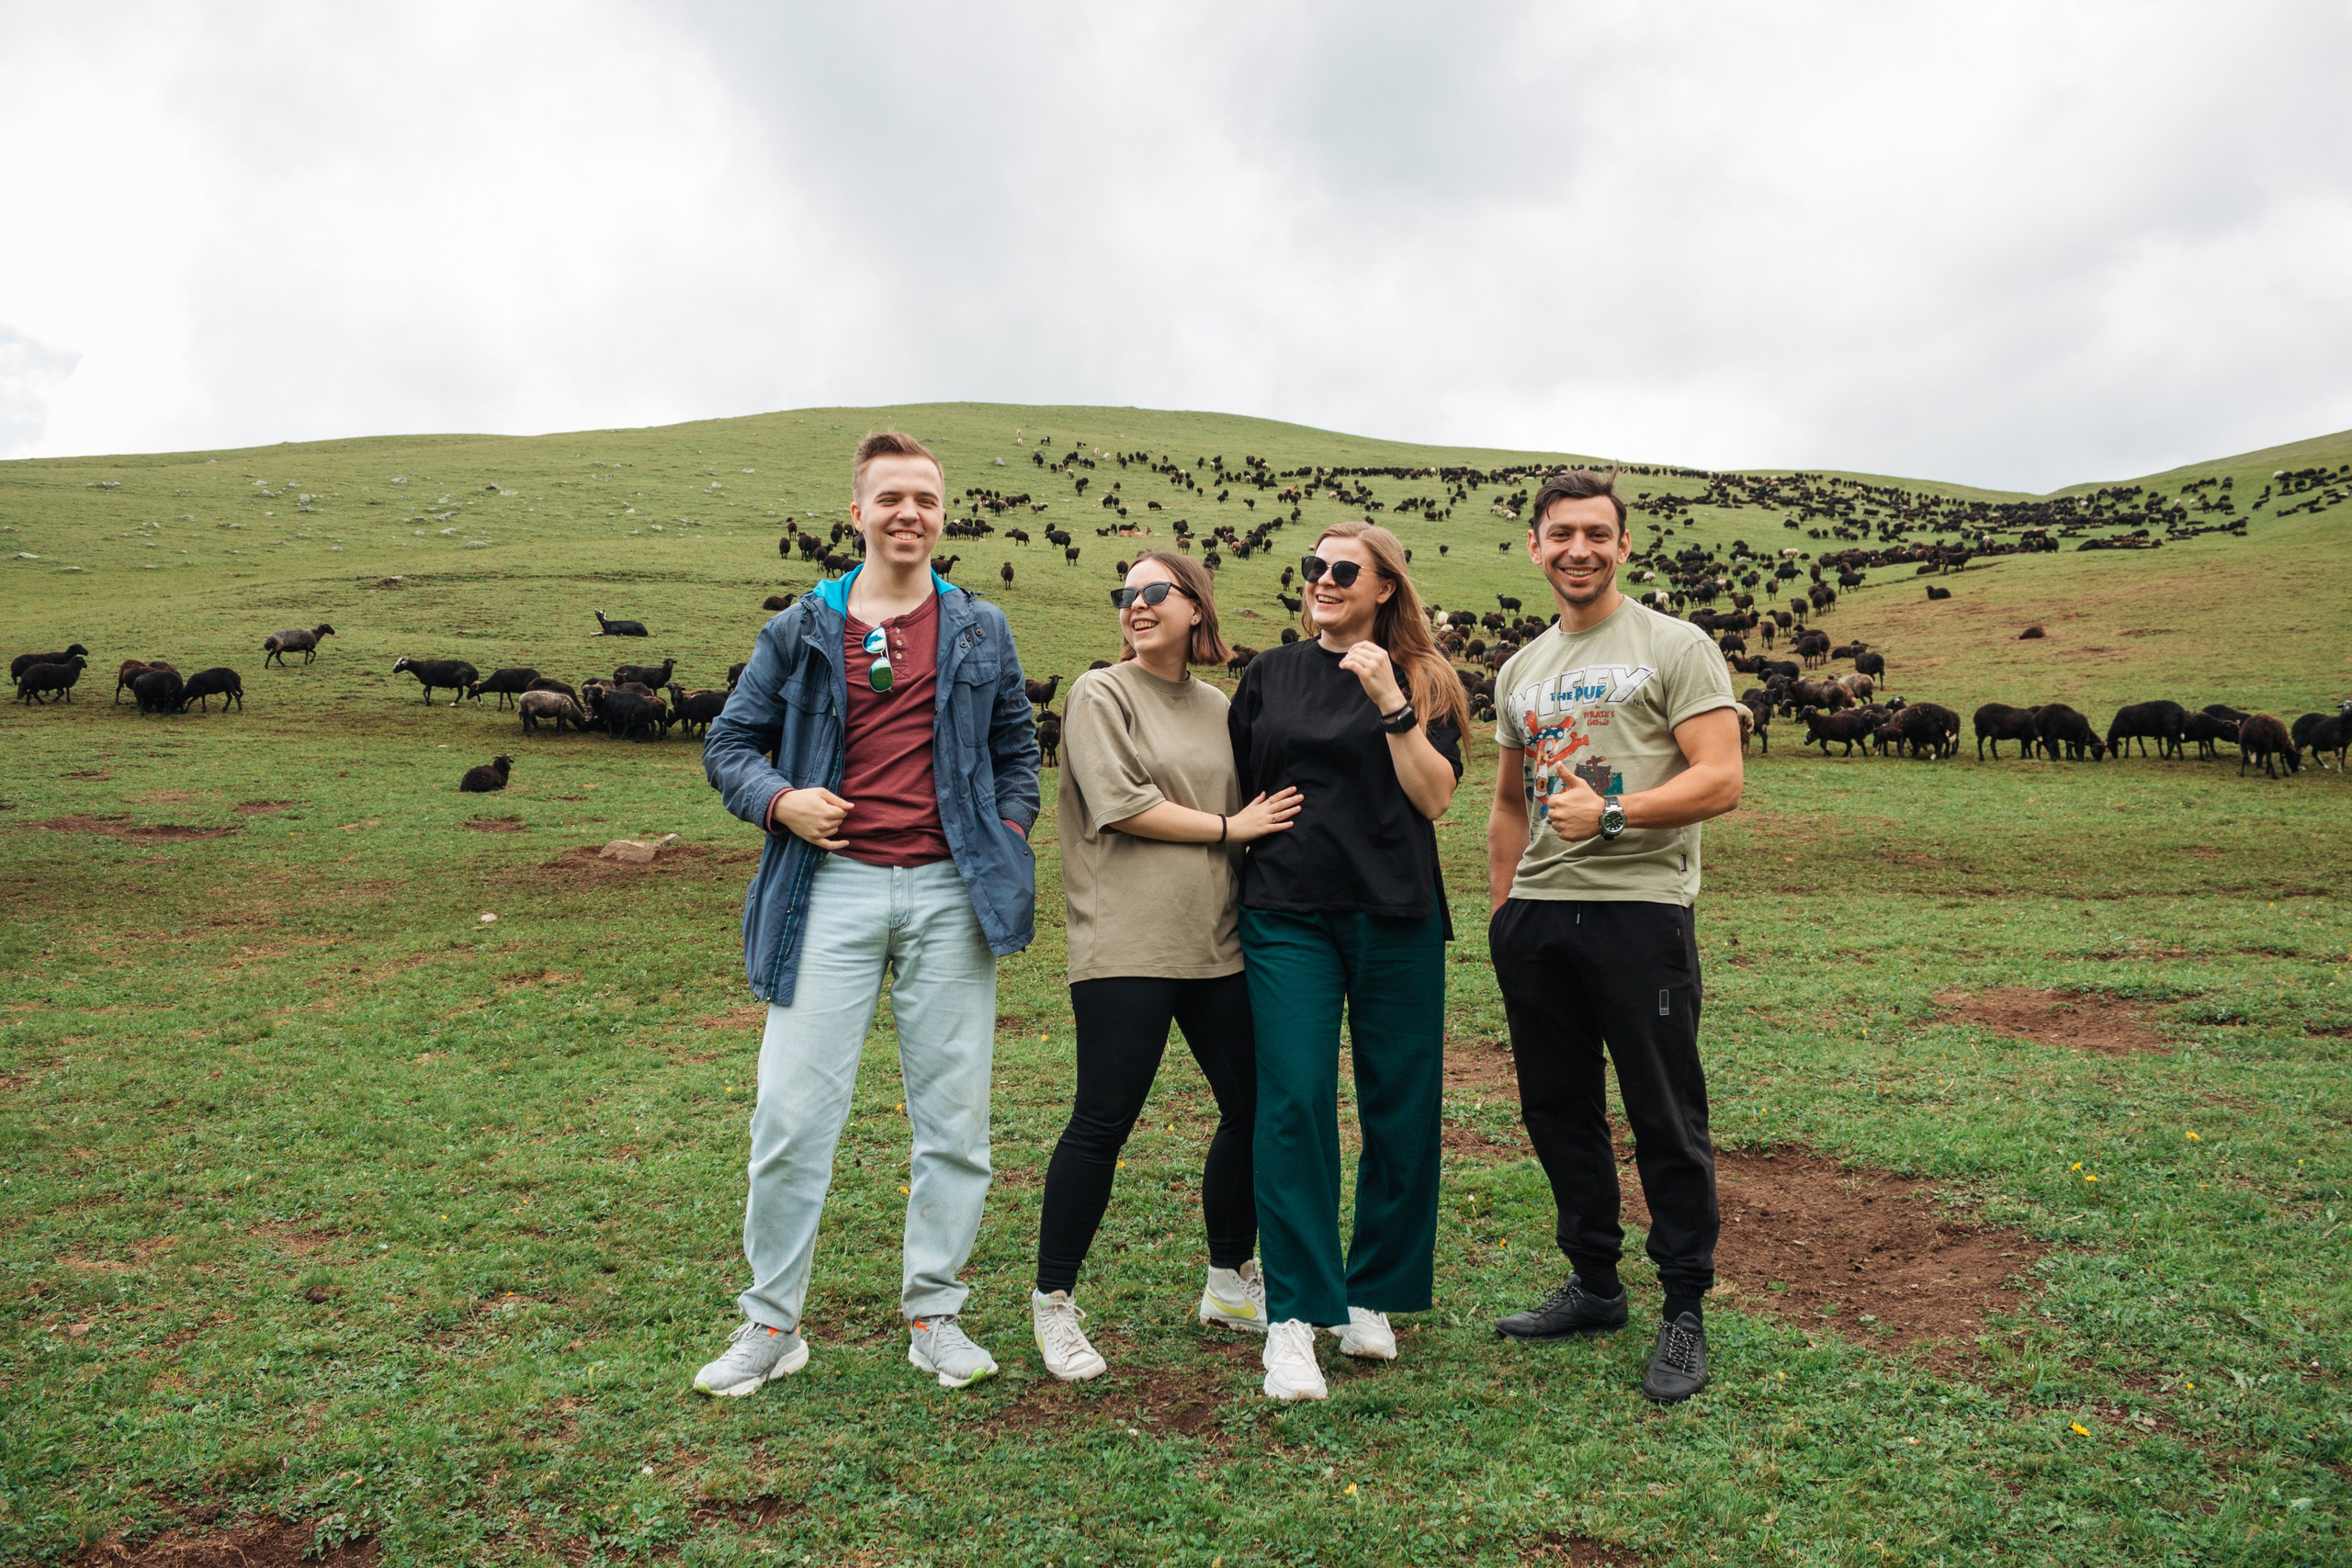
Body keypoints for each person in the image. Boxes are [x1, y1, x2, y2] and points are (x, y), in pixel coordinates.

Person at [695, 431, 1041, 1395]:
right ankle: (770, 1327)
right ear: (857, 513)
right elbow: (729, 743)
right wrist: (781, 801)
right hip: (828, 890)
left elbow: (1017, 744)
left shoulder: (980, 627)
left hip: (948, 891)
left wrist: (1007, 832)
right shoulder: (802, 627)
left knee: (954, 1121)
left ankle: (935, 1312)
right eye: (890, 498)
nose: (908, 515)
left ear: (941, 514)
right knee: (792, 1115)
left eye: (924, 500)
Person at [1484, 467, 1744, 1404]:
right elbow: (1508, 804)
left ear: (1623, 545)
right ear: (1536, 548)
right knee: (1556, 1112)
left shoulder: (1676, 646)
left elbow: (1720, 779)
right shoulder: (1519, 669)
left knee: (1662, 1113)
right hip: (1539, 923)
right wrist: (1503, 910)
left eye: (1596, 533)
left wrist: (1618, 815)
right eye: (1561, 534)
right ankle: (1595, 1285)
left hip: (1641, 913)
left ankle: (1683, 1307)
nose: (1578, 549)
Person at [1030, 552, 1304, 1381]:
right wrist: (1233, 828)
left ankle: (1227, 1279)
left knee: (1252, 1109)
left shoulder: (1218, 703)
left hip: (1216, 940)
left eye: (1156, 592)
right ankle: (1053, 1305)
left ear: (1195, 608)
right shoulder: (1099, 692)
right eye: (1127, 595)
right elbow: (1122, 804)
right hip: (1128, 941)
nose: (1137, 605)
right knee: (1104, 1119)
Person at [1227, 520, 1466, 1402]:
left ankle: (1371, 1291)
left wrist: (1391, 702)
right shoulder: (1270, 673)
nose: (1322, 581)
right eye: (1314, 568)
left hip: (1396, 909)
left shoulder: (1427, 678)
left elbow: (1434, 796)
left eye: (1343, 571)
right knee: (1291, 1100)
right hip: (1286, 909)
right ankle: (1291, 1320)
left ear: (1384, 590)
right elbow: (1243, 780)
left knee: (1400, 1105)